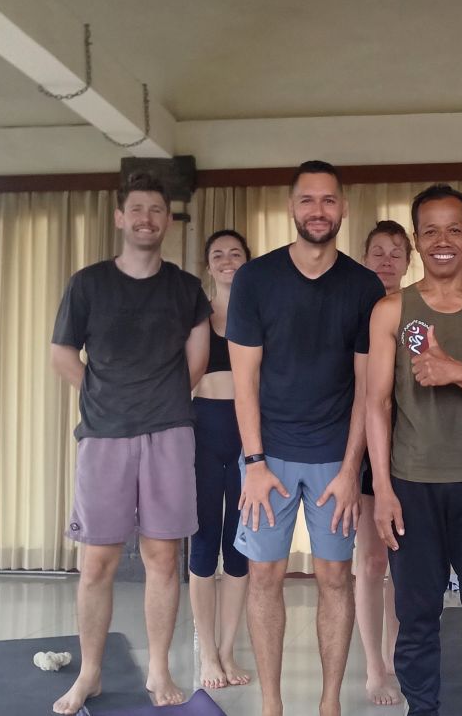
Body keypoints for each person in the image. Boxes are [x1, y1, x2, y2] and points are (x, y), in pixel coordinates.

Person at [227, 160, 385, 716]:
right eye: (307, 200)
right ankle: (271, 704)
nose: (318, 210)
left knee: (335, 577)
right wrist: (253, 462)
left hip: (333, 459)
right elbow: (244, 380)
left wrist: (350, 471)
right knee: (264, 575)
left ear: (343, 208)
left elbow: (367, 389)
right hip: (266, 457)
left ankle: (329, 703)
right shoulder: (255, 280)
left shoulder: (363, 286)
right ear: (291, 207)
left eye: (328, 200)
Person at [49, 171, 211, 714]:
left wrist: (156, 401)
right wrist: (107, 397)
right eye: (137, 209)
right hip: (104, 437)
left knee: (163, 557)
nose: (146, 218)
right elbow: (62, 355)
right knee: (97, 561)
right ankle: (90, 673)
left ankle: (159, 669)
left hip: (169, 432)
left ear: (168, 221)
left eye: (156, 210)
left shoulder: (186, 289)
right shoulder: (87, 284)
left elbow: (196, 362)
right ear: (120, 217)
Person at [367, 184, 462, 716]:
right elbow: (377, 404)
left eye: (454, 229)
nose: (443, 240)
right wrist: (382, 489)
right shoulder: (391, 311)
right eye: (430, 230)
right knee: (416, 619)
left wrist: (457, 372)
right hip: (412, 485)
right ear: (416, 239)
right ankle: (422, 709)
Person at [190, 229, 253, 690]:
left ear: (247, 261)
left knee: (239, 547)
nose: (227, 260)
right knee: (203, 544)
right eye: (218, 254)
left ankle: (228, 650)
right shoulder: (196, 316)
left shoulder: (258, 314)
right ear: (208, 264)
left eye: (235, 253)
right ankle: (207, 653)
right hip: (203, 433)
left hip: (247, 436)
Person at [356, 220, 412, 707]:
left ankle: (397, 660)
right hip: (362, 449)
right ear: (364, 258)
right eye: (378, 251)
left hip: (411, 449)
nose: (387, 260)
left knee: (403, 562)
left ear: (408, 262)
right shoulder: (355, 308)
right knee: (372, 560)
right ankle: (374, 668)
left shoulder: (416, 311)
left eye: (396, 252)